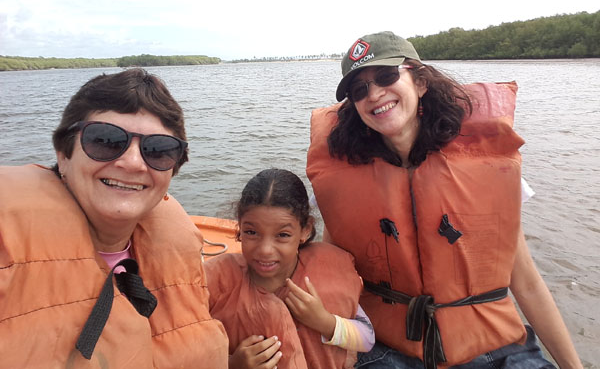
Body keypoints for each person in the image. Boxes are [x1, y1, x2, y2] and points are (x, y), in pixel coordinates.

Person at [306, 31, 583, 368]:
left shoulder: (489, 168)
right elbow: (333, 278)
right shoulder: (342, 183)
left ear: (420, 82)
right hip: (388, 351)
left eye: (387, 76)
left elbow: (526, 283)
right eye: (359, 90)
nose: (374, 94)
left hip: (493, 350)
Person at [0, 68, 229, 367]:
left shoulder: (182, 254)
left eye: (157, 149)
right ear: (63, 155)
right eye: (105, 140)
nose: (133, 163)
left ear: (173, 169)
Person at [204, 168, 375, 369]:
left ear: (306, 230)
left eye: (283, 235)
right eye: (251, 232)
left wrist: (324, 321)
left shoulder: (328, 274)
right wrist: (231, 364)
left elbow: (367, 338)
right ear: (239, 227)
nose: (265, 250)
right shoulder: (214, 281)